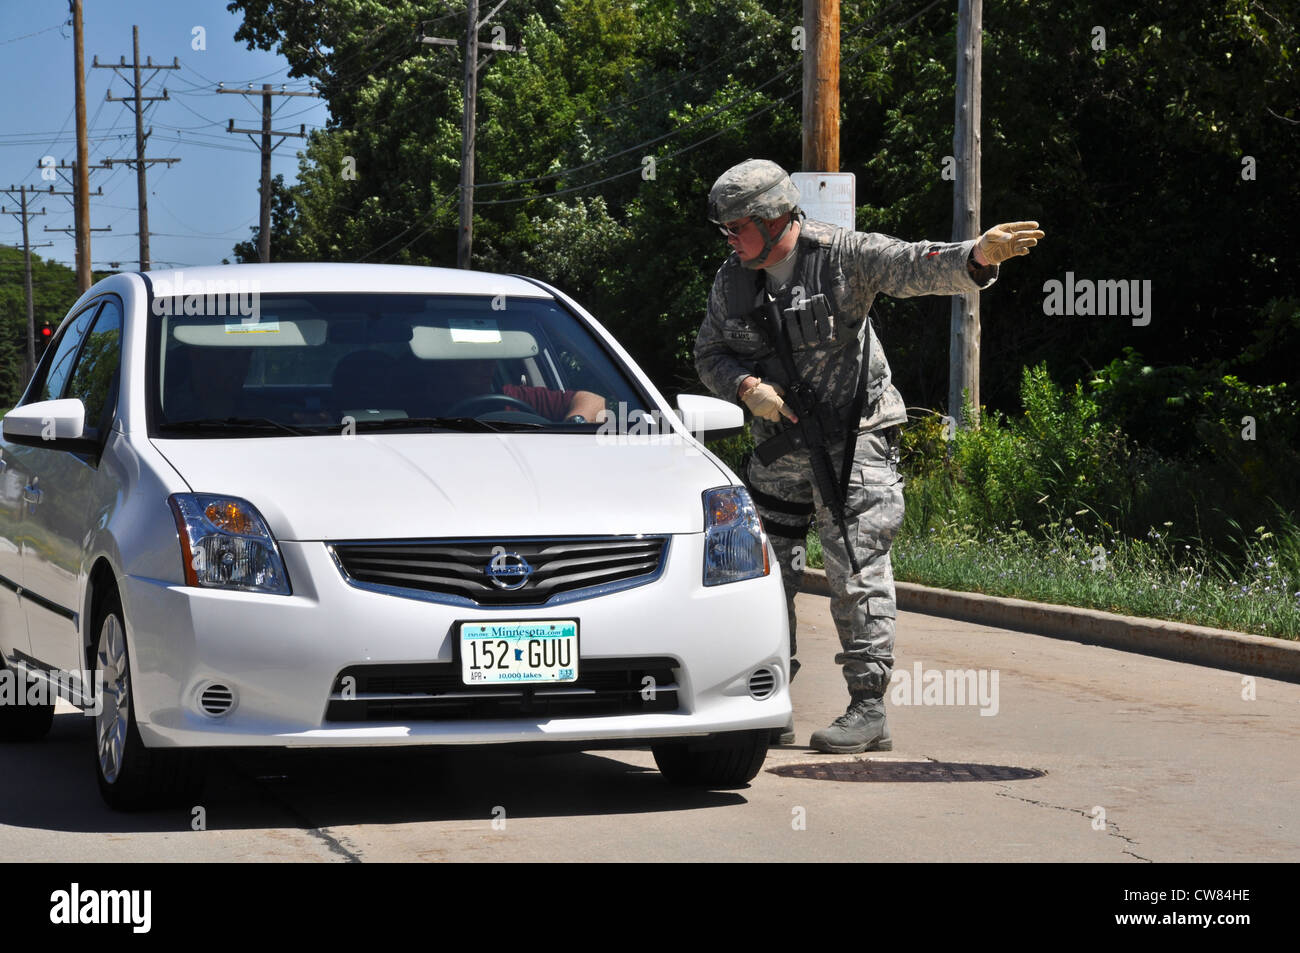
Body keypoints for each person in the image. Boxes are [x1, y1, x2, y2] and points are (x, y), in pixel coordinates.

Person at [693, 158, 1043, 752]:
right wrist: (748, 390)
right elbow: (710, 353)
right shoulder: (732, 282)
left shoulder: (841, 255)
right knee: (762, 575)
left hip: (857, 438)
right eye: (724, 229)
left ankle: (867, 707)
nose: (729, 239)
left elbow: (912, 264)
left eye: (737, 226)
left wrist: (977, 257)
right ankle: (767, 699)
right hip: (780, 449)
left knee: (854, 567)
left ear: (776, 218)